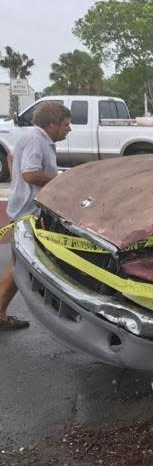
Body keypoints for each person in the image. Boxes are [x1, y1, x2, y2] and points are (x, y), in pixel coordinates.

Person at [0, 101, 71, 329]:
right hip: (28, 212)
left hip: (29, 207)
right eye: (66, 125)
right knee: (21, 265)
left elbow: (11, 158)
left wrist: (17, 186)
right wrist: (60, 181)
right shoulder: (35, 139)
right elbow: (30, 174)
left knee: (22, 264)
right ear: (52, 124)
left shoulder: (36, 137)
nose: (69, 129)